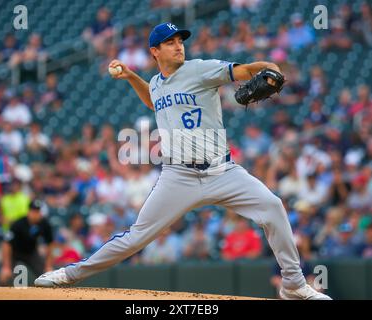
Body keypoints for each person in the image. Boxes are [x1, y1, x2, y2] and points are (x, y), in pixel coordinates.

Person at [35, 22, 331, 300]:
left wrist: (271, 69)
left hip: (222, 170)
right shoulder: (156, 83)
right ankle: (69, 274)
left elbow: (248, 69)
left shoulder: (201, 69)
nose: (178, 46)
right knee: (136, 237)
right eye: (170, 43)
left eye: (179, 41)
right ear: (155, 52)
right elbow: (153, 99)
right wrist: (130, 77)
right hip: (178, 176)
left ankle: (293, 285)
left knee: (272, 206)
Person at [0, 200, 54, 284]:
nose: (36, 214)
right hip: (15, 253)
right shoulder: (18, 224)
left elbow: (50, 245)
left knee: (47, 275)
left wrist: (48, 265)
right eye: (34, 211)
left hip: (31, 253)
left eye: (38, 212)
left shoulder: (44, 224)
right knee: (5, 275)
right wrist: (6, 266)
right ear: (29, 212)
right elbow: (6, 244)